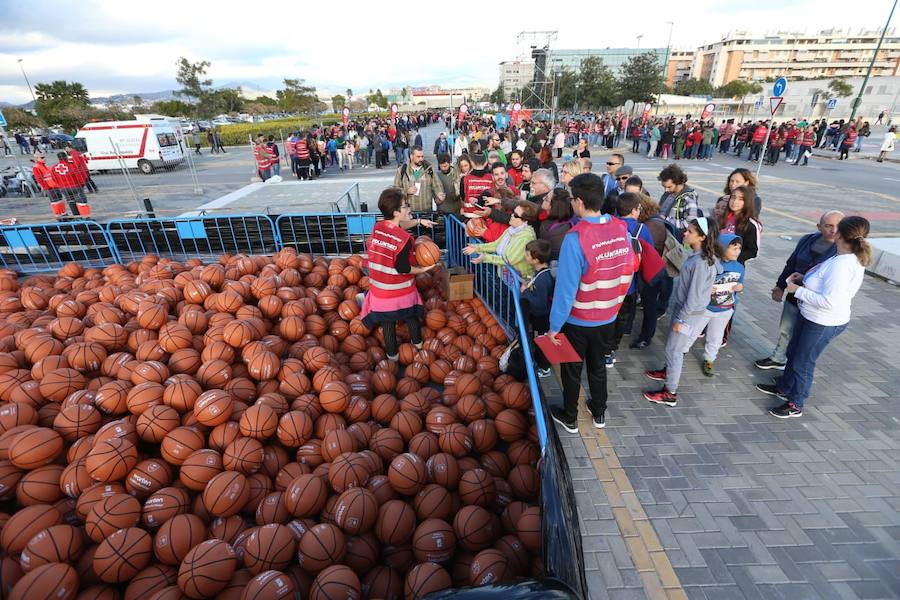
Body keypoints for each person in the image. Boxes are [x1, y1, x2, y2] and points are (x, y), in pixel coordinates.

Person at [546, 173, 638, 432]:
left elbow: (566, 291)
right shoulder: (621, 228)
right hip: (607, 317)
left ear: (579, 201)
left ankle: (570, 416)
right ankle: (599, 412)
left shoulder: (575, 239)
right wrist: (615, 304)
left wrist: (554, 327)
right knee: (598, 367)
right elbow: (628, 270)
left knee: (572, 370)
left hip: (578, 320)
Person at [756, 216, 871, 418]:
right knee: (793, 351)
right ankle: (784, 387)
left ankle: (796, 402)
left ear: (841, 235)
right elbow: (824, 281)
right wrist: (804, 279)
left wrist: (796, 290)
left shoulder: (843, 265)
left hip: (823, 322)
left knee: (803, 362)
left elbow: (830, 301)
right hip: (811, 315)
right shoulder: (842, 256)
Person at [643, 217, 720, 407]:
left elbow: (693, 298)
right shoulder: (699, 255)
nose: (684, 233)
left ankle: (670, 392)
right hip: (685, 310)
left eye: (690, 232)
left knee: (674, 350)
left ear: (702, 237)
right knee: (673, 346)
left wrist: (681, 319)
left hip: (688, 313)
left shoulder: (701, 263)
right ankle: (668, 370)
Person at [754, 211, 842, 371]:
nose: (833, 230)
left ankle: (793, 368)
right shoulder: (808, 240)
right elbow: (791, 264)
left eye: (838, 226)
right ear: (819, 226)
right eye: (828, 225)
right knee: (786, 329)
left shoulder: (842, 251)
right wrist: (780, 286)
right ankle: (778, 357)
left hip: (815, 303)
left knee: (803, 339)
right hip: (794, 294)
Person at [361, 188, 437, 361]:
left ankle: (392, 357)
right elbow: (403, 268)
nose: (409, 208)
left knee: (388, 323)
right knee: (412, 315)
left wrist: (418, 221)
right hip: (399, 291)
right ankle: (418, 346)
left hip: (378, 291)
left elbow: (397, 225)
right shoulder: (404, 240)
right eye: (405, 206)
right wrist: (424, 269)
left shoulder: (378, 227)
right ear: (396, 212)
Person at [608, 192, 656, 367]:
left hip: (608, 281)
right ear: (636, 210)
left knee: (607, 316)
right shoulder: (642, 230)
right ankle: (610, 350)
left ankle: (600, 347)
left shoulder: (610, 225)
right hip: (629, 284)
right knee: (621, 319)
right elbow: (649, 255)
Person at [700, 234, 745, 376]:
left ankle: (709, 359)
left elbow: (741, 283)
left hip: (725, 308)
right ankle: (681, 352)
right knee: (692, 332)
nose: (737, 252)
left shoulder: (739, 267)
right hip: (706, 307)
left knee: (716, 336)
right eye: (733, 248)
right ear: (721, 248)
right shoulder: (711, 263)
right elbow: (700, 282)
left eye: (739, 248)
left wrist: (740, 287)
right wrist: (707, 288)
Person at [463, 201, 539, 280]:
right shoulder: (512, 229)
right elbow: (496, 245)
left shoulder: (525, 237)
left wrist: (485, 258)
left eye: (516, 215)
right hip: (505, 277)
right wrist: (476, 247)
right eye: (513, 212)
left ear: (525, 221)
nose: (511, 215)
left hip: (517, 281)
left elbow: (509, 260)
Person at [631, 195, 669, 348]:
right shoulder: (653, 221)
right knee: (649, 305)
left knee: (650, 306)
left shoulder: (648, 227)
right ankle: (646, 335)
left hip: (651, 273)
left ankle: (646, 337)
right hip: (655, 270)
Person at [520, 239, 555, 378]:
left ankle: (544, 367)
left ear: (535, 260)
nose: (525, 257)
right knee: (541, 340)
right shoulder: (543, 272)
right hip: (543, 315)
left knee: (543, 341)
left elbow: (540, 303)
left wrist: (525, 291)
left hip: (542, 316)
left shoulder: (542, 279)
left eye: (527, 255)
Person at [393, 146, 443, 212]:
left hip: (426, 213)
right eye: (418, 157)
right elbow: (395, 191)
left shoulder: (429, 169)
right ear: (411, 156)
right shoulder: (401, 170)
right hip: (408, 214)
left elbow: (437, 186)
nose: (421, 159)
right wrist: (406, 191)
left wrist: (439, 197)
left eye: (422, 156)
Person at [657, 164, 701, 235]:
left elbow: (690, 223)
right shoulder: (668, 193)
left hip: (675, 236)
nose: (666, 190)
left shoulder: (688, 198)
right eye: (664, 187)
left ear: (678, 182)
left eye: (669, 187)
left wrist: (666, 220)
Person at [538, 187, 575, 260]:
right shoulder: (549, 217)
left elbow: (554, 255)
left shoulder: (559, 231)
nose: (543, 198)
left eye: (546, 199)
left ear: (553, 205)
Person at [32, 152, 65, 217]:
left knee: (60, 200)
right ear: (36, 159)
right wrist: (46, 187)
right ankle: (58, 215)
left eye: (44, 157)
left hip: (55, 186)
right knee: (55, 202)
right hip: (49, 187)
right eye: (42, 158)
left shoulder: (45, 166)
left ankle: (63, 214)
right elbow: (39, 179)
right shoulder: (36, 167)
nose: (44, 159)